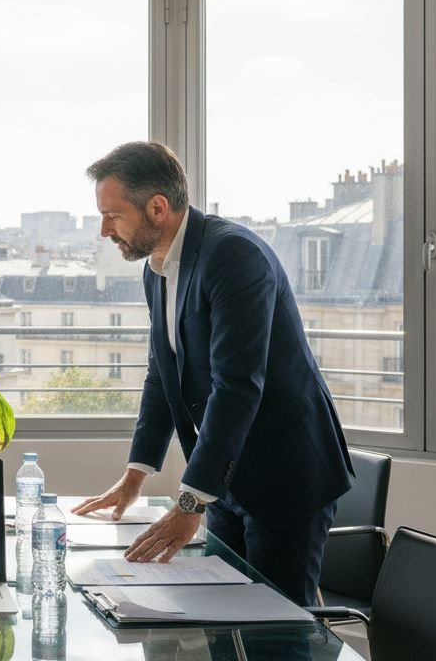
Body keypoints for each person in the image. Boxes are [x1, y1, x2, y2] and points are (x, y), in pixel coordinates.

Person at [72, 141, 353, 606]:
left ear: (157, 207)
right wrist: (135, 477)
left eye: (113, 215)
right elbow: (162, 377)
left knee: (276, 630)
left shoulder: (233, 256)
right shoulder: (156, 268)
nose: (104, 230)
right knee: (224, 621)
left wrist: (188, 504)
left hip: (286, 475)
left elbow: (237, 386)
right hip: (227, 480)